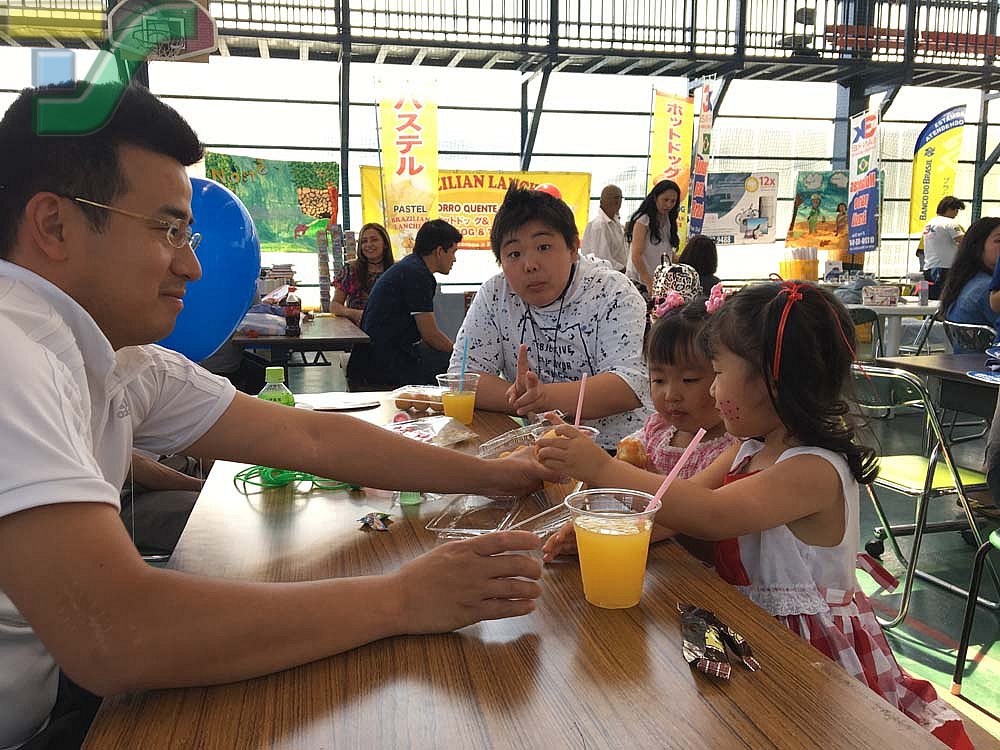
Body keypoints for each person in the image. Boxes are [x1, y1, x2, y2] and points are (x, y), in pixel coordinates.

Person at [0, 83, 557, 750]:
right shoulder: (12, 351)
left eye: (187, 234)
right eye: (167, 230)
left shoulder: (116, 359)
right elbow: (116, 632)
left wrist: (495, 476)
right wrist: (404, 599)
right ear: (54, 226)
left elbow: (310, 435)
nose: (193, 265)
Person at [537, 282, 973, 750]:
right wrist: (614, 532)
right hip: (750, 627)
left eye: (717, 373)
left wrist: (604, 469)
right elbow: (682, 507)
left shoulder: (813, 469)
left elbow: (713, 514)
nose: (713, 389)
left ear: (771, 381)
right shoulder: (749, 448)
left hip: (810, 656)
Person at [449, 182, 650, 450]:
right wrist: (528, 399)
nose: (530, 265)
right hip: (540, 449)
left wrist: (542, 397)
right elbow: (462, 379)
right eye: (514, 253)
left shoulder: (612, 291)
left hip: (618, 451)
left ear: (573, 248)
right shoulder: (496, 294)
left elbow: (629, 386)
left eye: (543, 247)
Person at [617, 297, 738, 523]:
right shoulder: (657, 430)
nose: (671, 395)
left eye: (689, 379)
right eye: (659, 380)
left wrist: (647, 481)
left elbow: (697, 517)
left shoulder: (730, 451)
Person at [346, 219, 460, 389]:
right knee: (455, 371)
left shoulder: (410, 266)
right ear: (439, 251)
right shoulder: (417, 274)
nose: (454, 259)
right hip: (379, 368)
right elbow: (430, 335)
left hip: (369, 360)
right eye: (453, 252)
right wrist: (460, 355)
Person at [938, 216, 1000, 351]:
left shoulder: (963, 284)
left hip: (964, 361)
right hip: (988, 361)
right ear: (977, 246)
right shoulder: (987, 290)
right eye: (998, 241)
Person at [330, 222, 394, 325]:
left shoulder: (396, 271)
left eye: (374, 240)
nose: (369, 245)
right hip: (357, 330)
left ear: (385, 244)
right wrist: (353, 313)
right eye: (364, 241)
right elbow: (334, 305)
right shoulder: (350, 269)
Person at [625, 180, 680, 295]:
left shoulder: (669, 220)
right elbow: (636, 255)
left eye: (673, 201)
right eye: (665, 200)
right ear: (655, 198)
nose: (669, 205)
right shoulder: (643, 220)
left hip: (660, 281)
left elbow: (667, 252)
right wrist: (649, 283)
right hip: (640, 282)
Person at [922, 196, 966, 301]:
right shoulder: (950, 223)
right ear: (950, 209)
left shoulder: (929, 223)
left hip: (929, 267)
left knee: (932, 300)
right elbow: (965, 241)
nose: (957, 213)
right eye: (956, 210)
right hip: (945, 268)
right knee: (946, 299)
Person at [580, 184, 627, 271]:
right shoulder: (599, 226)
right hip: (608, 275)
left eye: (619, 198)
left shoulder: (616, 223)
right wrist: (624, 270)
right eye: (616, 198)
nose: (618, 202)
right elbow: (602, 260)